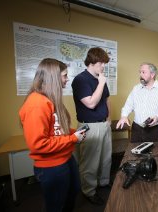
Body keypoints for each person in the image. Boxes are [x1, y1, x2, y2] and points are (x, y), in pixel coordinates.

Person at [19, 58, 85, 212]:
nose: (67, 79)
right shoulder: (36, 104)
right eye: (64, 76)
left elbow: (57, 130)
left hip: (65, 157)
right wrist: (73, 139)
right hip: (52, 165)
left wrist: (74, 133)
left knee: (74, 190)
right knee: (56, 205)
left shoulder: (51, 99)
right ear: (53, 77)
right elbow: (38, 145)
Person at [71, 47, 112, 205]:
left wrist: (109, 118)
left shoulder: (100, 78)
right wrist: (101, 83)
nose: (103, 66)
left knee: (105, 158)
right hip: (89, 126)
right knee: (90, 161)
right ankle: (89, 190)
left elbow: (107, 99)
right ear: (92, 61)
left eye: (104, 63)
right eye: (101, 63)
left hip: (104, 124)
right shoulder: (81, 80)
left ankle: (103, 181)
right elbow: (90, 103)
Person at [116, 62, 158, 142]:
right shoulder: (136, 89)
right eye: (140, 72)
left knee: (154, 154)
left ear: (152, 74)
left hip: (155, 131)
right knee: (135, 153)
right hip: (137, 130)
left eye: (143, 72)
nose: (140, 75)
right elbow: (129, 105)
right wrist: (124, 116)